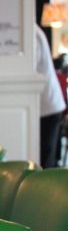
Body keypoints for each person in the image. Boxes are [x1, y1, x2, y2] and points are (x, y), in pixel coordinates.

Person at [34, 23, 66, 168]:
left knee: (45, 159)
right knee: (44, 157)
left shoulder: (30, 33)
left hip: (47, 105)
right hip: (45, 105)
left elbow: (29, 67)